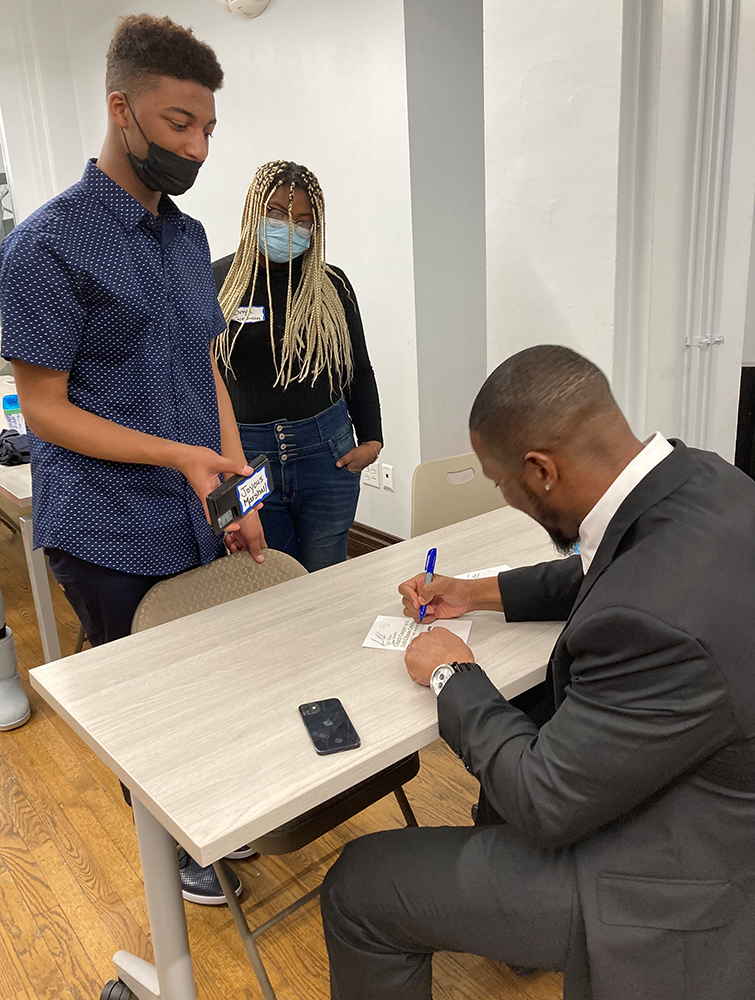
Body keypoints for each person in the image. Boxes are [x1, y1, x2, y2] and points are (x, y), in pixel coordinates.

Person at [320, 345, 755, 1000]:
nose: (508, 499)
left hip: (676, 876)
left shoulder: (654, 622)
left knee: (359, 885)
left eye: (501, 485)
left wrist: (450, 672)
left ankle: (530, 927)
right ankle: (517, 940)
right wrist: (473, 591)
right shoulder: (707, 480)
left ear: (539, 470)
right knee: (525, 709)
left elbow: (544, 800)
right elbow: (601, 569)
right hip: (713, 785)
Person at [0, 14, 263, 905]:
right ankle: (180, 852)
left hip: (195, 507)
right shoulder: (44, 246)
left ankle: (214, 815)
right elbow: (42, 408)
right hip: (109, 527)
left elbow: (207, 365)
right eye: (180, 124)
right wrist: (179, 456)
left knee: (215, 682)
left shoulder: (187, 239)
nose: (197, 146)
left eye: (208, 130)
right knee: (151, 712)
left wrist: (233, 483)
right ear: (122, 109)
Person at [213, 160, 383, 572]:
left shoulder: (332, 286)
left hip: (326, 453)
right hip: (249, 456)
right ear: (254, 210)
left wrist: (373, 439)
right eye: (276, 213)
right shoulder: (216, 282)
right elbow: (201, 382)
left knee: (328, 574)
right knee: (269, 574)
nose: (289, 228)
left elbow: (358, 368)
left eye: (303, 220)